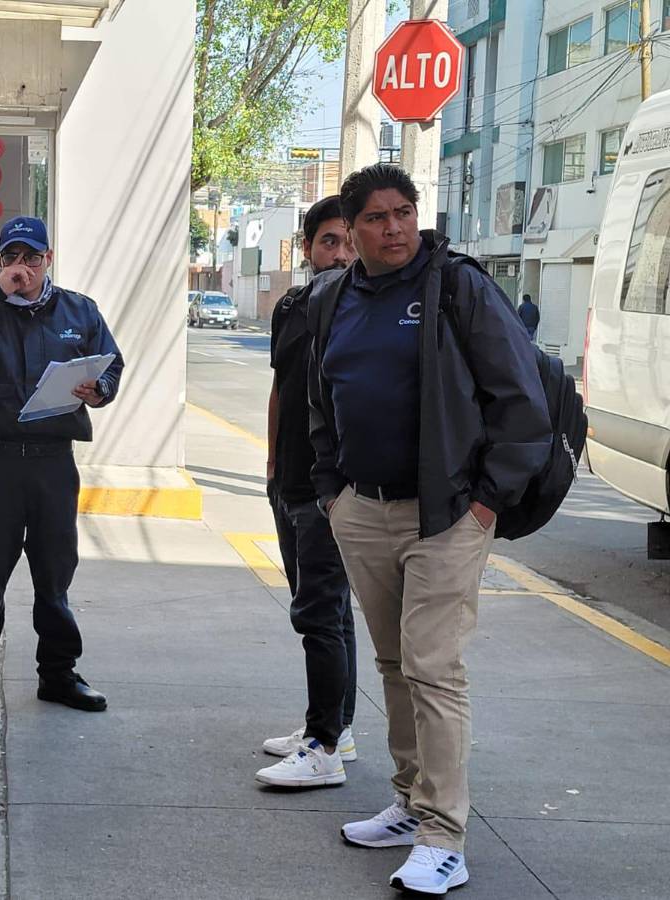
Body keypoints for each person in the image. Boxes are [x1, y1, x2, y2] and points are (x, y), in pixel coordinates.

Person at [308, 164, 550, 895]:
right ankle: (412, 803)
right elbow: (323, 400)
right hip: (363, 509)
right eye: (378, 218)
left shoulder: (458, 287)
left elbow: (521, 398)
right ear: (351, 231)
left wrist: (487, 502)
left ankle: (444, 834)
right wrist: (331, 491)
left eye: (404, 213)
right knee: (392, 664)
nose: (395, 229)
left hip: (446, 514)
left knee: (433, 668)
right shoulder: (334, 298)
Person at [0, 216, 124, 717]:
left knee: (54, 574)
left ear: (48, 260)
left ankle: (57, 674)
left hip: (53, 464)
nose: (22, 268)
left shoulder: (78, 309)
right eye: (11, 258)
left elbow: (110, 364)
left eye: (31, 258)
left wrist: (98, 390)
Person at [255, 196, 358, 790]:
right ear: (307, 247)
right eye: (328, 242)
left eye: (349, 240)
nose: (340, 254)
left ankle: (323, 745)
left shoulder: (366, 311)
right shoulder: (291, 306)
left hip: (332, 490)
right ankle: (334, 727)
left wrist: (339, 489)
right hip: (288, 482)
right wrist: (270, 465)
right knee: (323, 607)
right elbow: (280, 388)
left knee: (321, 612)